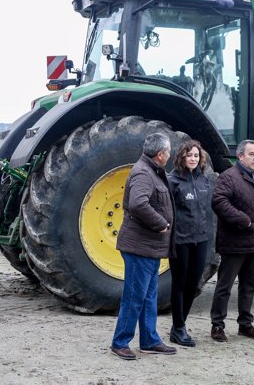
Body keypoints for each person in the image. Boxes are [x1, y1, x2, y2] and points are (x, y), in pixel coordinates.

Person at [110, 133, 177, 360]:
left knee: (149, 296)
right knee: (134, 296)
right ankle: (120, 342)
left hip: (149, 248)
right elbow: (139, 203)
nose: (170, 155)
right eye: (168, 152)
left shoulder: (152, 170)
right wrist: (160, 224)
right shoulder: (143, 173)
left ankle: (149, 340)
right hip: (140, 247)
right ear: (160, 154)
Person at [209, 139, 254, 342]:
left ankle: (245, 324)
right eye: (251, 154)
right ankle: (217, 326)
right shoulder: (229, 177)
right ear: (240, 156)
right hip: (234, 243)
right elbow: (218, 201)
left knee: (249, 285)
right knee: (224, 286)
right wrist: (243, 220)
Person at [167, 139, 211, 347]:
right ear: (181, 157)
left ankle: (180, 324)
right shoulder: (173, 180)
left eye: (196, 155)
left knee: (194, 283)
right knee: (180, 283)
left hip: (200, 239)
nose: (193, 159)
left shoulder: (203, 180)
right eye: (189, 155)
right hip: (180, 239)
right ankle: (178, 327)